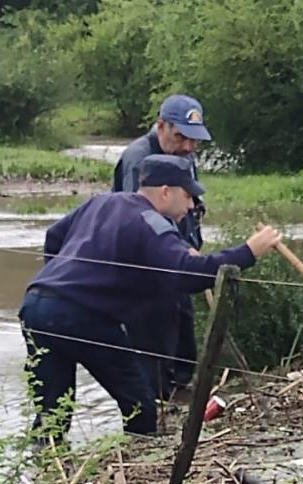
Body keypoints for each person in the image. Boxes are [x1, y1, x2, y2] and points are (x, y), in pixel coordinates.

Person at [19, 154, 281, 440]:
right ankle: (139, 462)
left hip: (36, 304)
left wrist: (64, 280)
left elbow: (54, 237)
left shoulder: (102, 202)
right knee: (139, 403)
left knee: (51, 410)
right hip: (82, 317)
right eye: (188, 195)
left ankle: (45, 473)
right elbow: (188, 275)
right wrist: (248, 251)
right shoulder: (151, 222)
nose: (192, 205)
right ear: (166, 191)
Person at [113, 94, 211, 397]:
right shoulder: (138, 159)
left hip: (177, 251)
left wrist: (189, 245)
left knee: (182, 318)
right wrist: (176, 248)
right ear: (161, 126)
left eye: (194, 139)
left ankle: (182, 388)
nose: (188, 146)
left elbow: (189, 202)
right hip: (146, 262)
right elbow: (139, 216)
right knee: (154, 331)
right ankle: (156, 400)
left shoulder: (184, 155)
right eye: (181, 136)